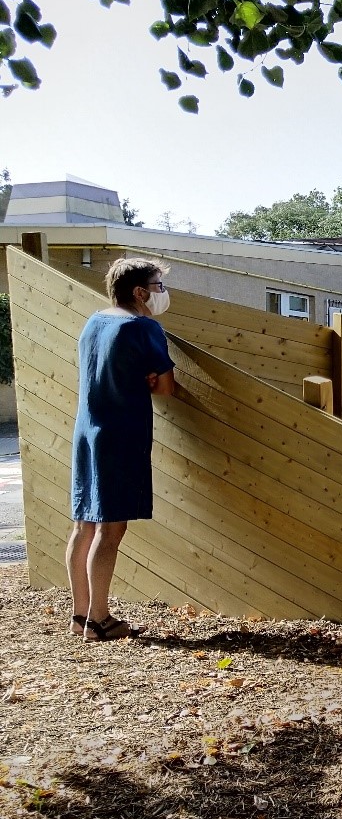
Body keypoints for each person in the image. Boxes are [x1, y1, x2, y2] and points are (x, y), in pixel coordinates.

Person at [68, 258, 176, 641]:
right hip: (121, 435)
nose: (162, 293)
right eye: (158, 285)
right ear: (139, 292)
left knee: (84, 526)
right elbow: (165, 387)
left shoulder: (94, 322)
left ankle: (80, 615)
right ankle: (100, 620)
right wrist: (147, 378)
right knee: (111, 529)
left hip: (87, 432)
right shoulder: (144, 327)